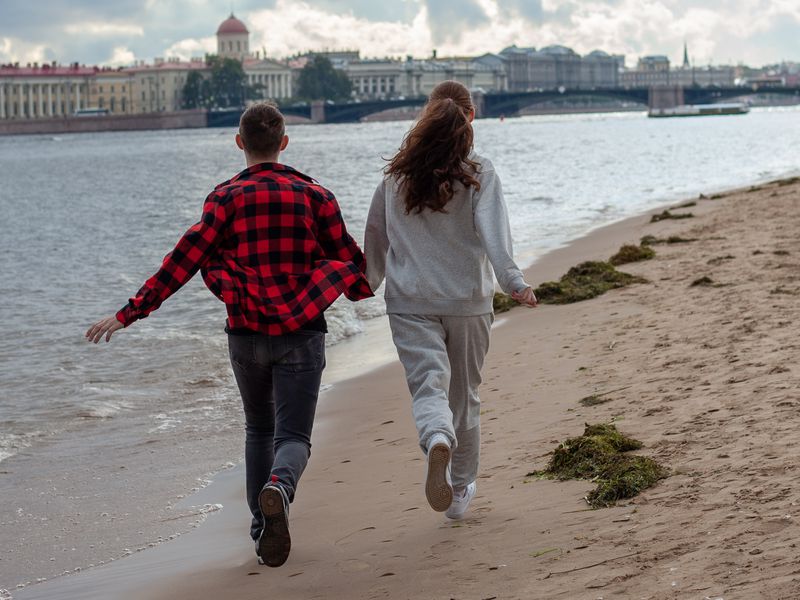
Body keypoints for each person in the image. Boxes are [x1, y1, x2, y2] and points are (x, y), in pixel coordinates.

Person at [85, 102, 372, 567]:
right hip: (302, 331)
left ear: (239, 143)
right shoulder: (316, 197)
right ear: (284, 142)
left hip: (245, 333)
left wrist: (130, 312)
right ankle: (279, 487)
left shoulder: (224, 199)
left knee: (259, 428)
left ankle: (262, 530)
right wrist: (365, 281)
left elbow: (182, 259)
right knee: (293, 436)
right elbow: (355, 267)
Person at [364, 81, 537, 520]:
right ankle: (459, 493)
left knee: (428, 386)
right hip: (467, 301)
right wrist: (513, 282)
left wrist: (366, 282)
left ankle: (436, 437)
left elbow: (377, 239)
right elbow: (494, 234)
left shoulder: (395, 175)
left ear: (426, 116)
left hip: (409, 302)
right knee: (465, 396)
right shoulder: (479, 171)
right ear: (471, 118)